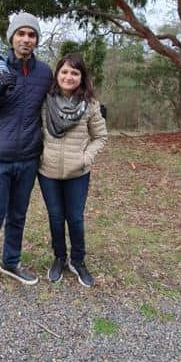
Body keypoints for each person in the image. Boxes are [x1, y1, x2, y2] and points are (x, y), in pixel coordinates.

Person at [0, 13, 53, 304]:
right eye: (21, 34)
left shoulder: (44, 73)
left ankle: (11, 262)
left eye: (31, 34)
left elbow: (58, 103)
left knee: (18, 216)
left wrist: (89, 109)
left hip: (28, 158)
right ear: (12, 38)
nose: (26, 39)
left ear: (36, 40)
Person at [38, 53, 107, 287]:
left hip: (78, 173)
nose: (69, 76)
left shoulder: (90, 105)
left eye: (75, 72)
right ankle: (59, 257)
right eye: (64, 71)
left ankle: (78, 261)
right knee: (56, 218)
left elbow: (100, 137)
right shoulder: (44, 102)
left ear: (82, 77)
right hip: (47, 172)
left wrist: (85, 158)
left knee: (75, 219)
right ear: (57, 74)